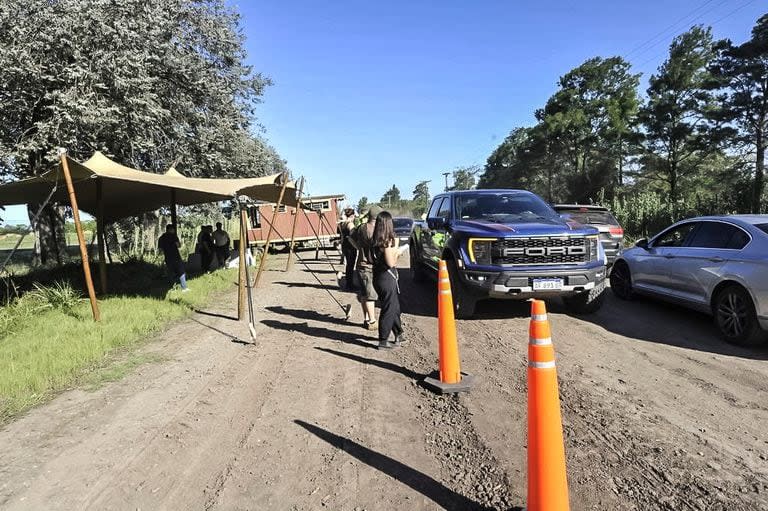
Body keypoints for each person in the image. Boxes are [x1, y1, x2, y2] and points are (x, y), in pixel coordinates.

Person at [371, 211, 406, 349]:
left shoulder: (375, 240)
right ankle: (383, 340)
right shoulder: (386, 242)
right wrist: (398, 250)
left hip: (379, 277)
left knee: (394, 306)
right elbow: (391, 263)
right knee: (389, 308)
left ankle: (399, 333)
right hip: (386, 278)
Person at [349, 205, 382, 330]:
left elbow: (350, 238)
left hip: (360, 265)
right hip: (368, 266)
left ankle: (366, 319)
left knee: (364, 294)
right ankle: (373, 321)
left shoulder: (361, 227)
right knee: (370, 295)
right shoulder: (375, 230)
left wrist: (358, 248)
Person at [158, 224, 188, 291]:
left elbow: (160, 250)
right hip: (176, 257)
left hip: (168, 258)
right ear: (170, 229)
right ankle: (184, 288)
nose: (174, 231)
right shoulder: (174, 236)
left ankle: (172, 288)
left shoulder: (161, 238)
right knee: (181, 272)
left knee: (170, 273)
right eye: (173, 229)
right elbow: (179, 245)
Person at [340, 208, 357, 291]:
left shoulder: (343, 224)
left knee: (348, 266)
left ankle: (348, 283)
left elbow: (342, 237)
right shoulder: (350, 224)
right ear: (352, 215)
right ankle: (350, 285)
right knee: (351, 266)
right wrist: (357, 246)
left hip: (345, 246)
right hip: (351, 247)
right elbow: (353, 236)